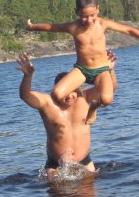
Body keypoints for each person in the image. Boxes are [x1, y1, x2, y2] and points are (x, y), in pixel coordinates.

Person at [27, 0, 139, 124]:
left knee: (107, 99)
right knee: (56, 94)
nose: (89, 20)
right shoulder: (73, 27)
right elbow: (52, 27)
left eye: (92, 15)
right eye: (84, 16)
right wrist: (32, 27)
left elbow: (128, 30)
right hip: (82, 70)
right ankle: (78, 106)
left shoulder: (103, 24)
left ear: (98, 9)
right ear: (77, 12)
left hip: (101, 70)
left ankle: (93, 108)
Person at [17, 50, 118, 178]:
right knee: (57, 190)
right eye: (65, 94)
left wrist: (110, 70)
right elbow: (25, 95)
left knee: (90, 190)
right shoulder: (47, 103)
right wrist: (28, 76)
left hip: (85, 161)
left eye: (73, 92)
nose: (70, 96)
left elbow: (110, 89)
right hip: (56, 165)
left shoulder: (85, 97)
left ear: (78, 89)